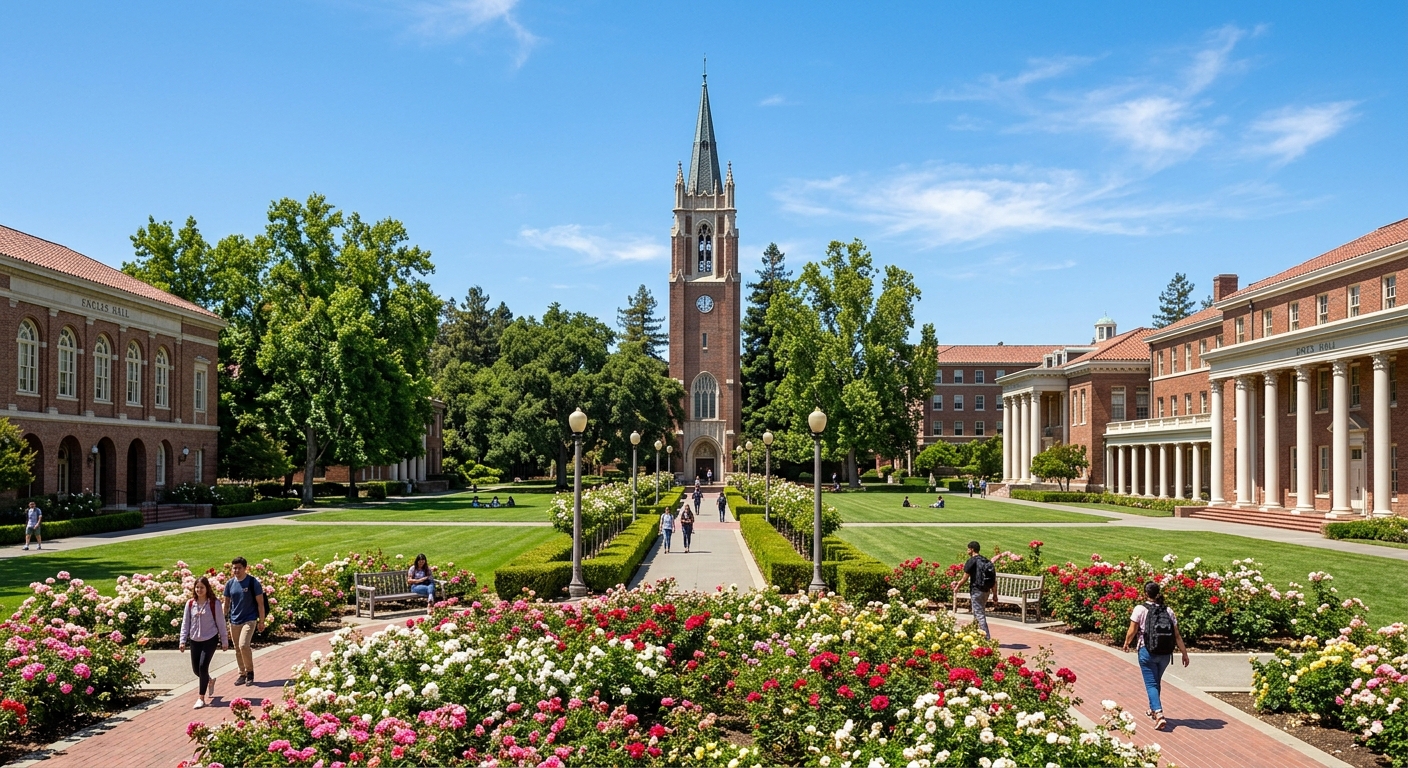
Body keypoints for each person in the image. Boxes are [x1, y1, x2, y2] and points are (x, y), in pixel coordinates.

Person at [1122, 581, 1190, 731]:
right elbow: (1177, 635)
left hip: (1147, 651)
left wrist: (1127, 643)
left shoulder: (1140, 609)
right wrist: (1184, 653)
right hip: (1165, 653)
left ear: (1145, 593)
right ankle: (1153, 708)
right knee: (1156, 681)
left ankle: (1159, 714)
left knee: (1151, 683)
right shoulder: (1169, 610)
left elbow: (1132, 629)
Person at [180, 576, 229, 709]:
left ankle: (201, 698)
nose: (199, 590)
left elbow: (221, 623)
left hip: (210, 639)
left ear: (207, 588)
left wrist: (224, 640)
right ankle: (210, 680)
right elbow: (185, 623)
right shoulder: (190, 604)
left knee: (202, 667)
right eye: (197, 587)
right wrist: (182, 640)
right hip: (195, 640)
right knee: (196, 669)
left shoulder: (214, 603)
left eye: (202, 587)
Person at [223, 557, 266, 686]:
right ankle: (242, 674)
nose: (236, 570)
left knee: (243, 645)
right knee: (237, 648)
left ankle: (250, 672)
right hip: (234, 620)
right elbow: (226, 605)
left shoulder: (252, 582)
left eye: (239, 568)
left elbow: (260, 604)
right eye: (234, 568)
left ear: (245, 568)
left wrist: (261, 621)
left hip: (250, 619)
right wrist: (221, 621)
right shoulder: (230, 584)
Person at [953, 541, 996, 640]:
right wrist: (995, 594)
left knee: (979, 614)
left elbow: (965, 578)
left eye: (968, 549)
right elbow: (994, 580)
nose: (967, 550)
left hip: (977, 590)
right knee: (977, 612)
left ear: (972, 549)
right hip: (986, 591)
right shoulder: (986, 561)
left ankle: (987, 638)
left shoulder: (972, 561)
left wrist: (957, 586)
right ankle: (976, 634)